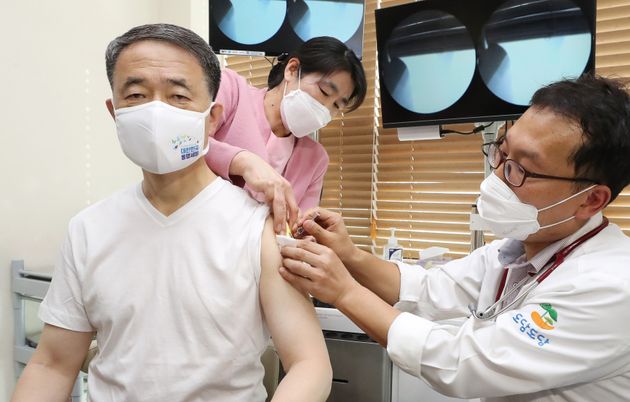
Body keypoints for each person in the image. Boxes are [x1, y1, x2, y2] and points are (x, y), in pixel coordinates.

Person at [11, 23, 331, 402]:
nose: (156, 111)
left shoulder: (255, 226)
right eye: (136, 94)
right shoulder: (88, 230)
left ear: (212, 119)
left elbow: (309, 363)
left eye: (178, 95)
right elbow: (52, 364)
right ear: (114, 112)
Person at [279, 74, 630, 401]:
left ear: (591, 199)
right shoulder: (515, 251)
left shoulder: (609, 287)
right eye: (502, 152)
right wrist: (350, 256)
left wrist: (343, 291)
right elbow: (429, 288)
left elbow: (462, 363)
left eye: (521, 169)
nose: (498, 176)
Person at [206, 36, 367, 234]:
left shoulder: (315, 159)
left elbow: (299, 229)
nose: (325, 108)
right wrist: (242, 161)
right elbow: (184, 144)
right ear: (292, 70)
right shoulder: (232, 90)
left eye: (336, 106)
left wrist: (306, 237)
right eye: (324, 91)